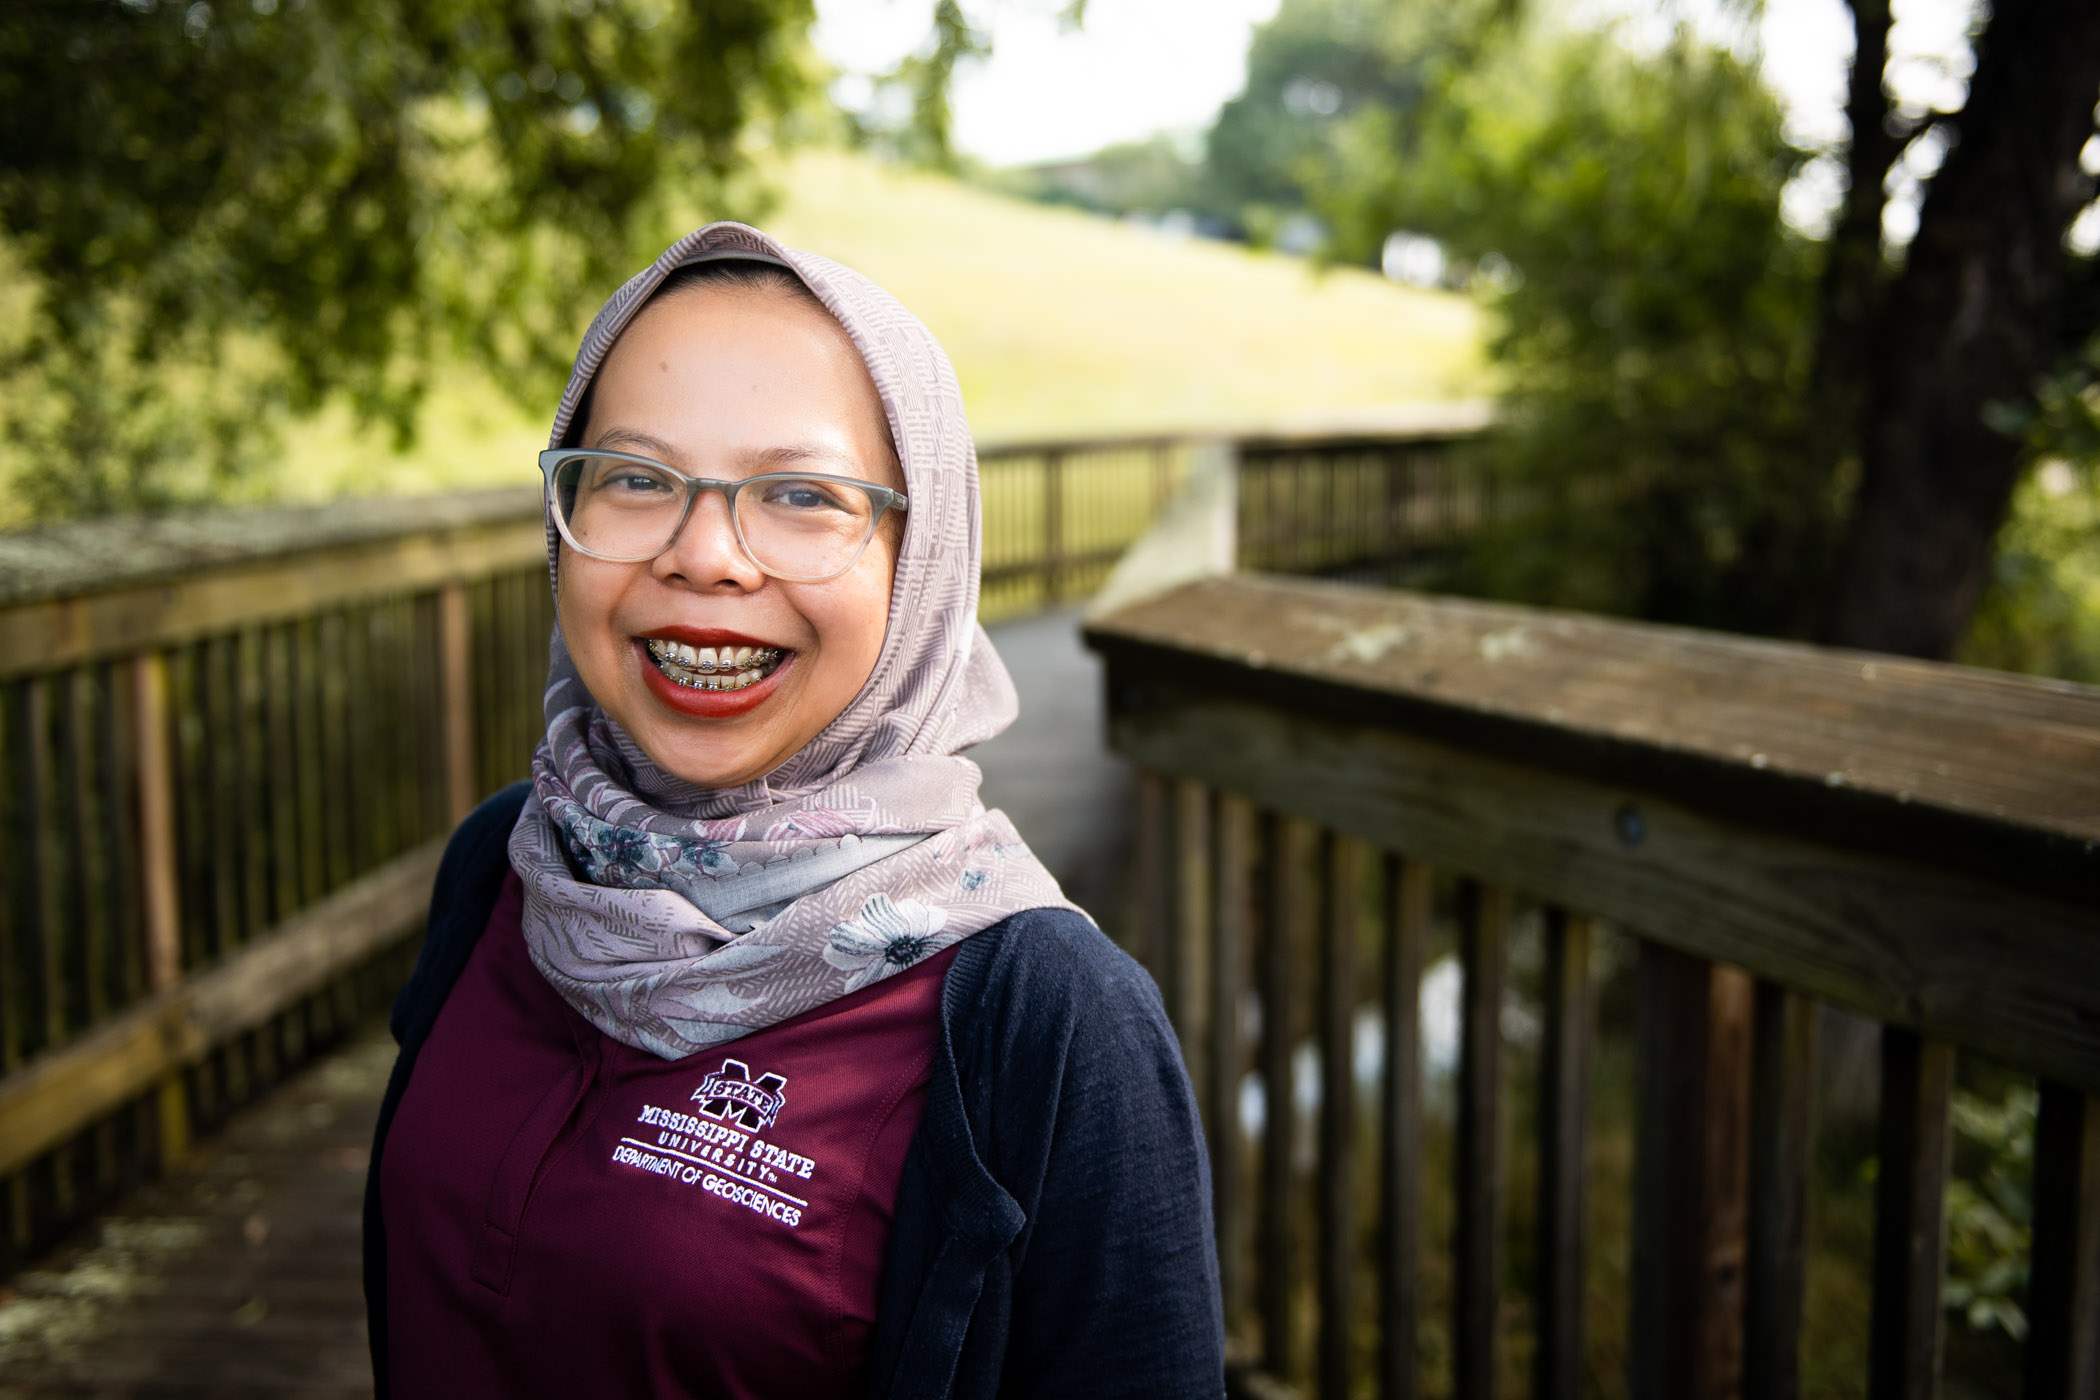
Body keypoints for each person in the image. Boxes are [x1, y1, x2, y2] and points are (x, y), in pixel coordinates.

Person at [360, 222, 1224, 1399]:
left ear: (919, 561)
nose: (706, 554)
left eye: (804, 494)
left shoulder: (1050, 1019)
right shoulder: (502, 865)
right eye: (633, 477)